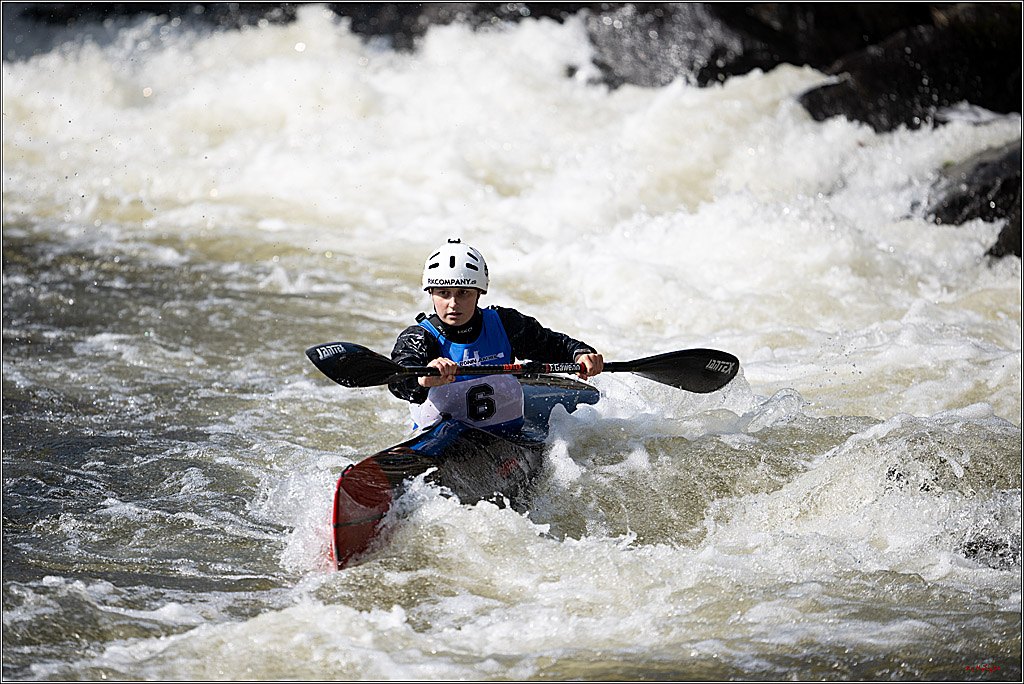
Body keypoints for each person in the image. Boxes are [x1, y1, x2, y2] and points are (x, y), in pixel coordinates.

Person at [389, 238, 604, 433]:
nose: (453, 303)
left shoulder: (504, 324)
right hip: (441, 440)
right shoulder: (418, 339)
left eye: (463, 293)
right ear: (431, 293)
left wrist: (580, 354)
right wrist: (422, 377)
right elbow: (397, 381)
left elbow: (554, 345)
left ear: (479, 293)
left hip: (506, 436)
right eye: (444, 293)